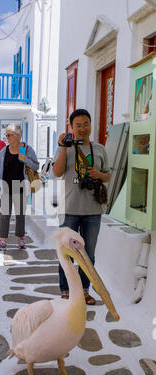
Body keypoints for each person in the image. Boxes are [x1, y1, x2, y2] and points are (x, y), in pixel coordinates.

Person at [52, 109, 111, 305]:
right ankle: (66, 290)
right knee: (66, 253)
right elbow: (57, 172)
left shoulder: (100, 149)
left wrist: (98, 175)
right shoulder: (65, 148)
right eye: (78, 125)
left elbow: (108, 175)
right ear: (71, 127)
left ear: (90, 124)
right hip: (69, 210)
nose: (83, 128)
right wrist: (62, 147)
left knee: (89, 256)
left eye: (86, 124)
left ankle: (85, 290)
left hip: (93, 212)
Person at [0, 123, 39, 251]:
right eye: (6, 135)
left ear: (18, 135)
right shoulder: (4, 151)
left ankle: (20, 238)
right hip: (6, 186)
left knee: (20, 214)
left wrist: (26, 160)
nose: (7, 137)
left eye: (9, 135)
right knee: (4, 215)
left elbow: (36, 166)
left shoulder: (27, 149)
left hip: (21, 186)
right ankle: (2, 241)